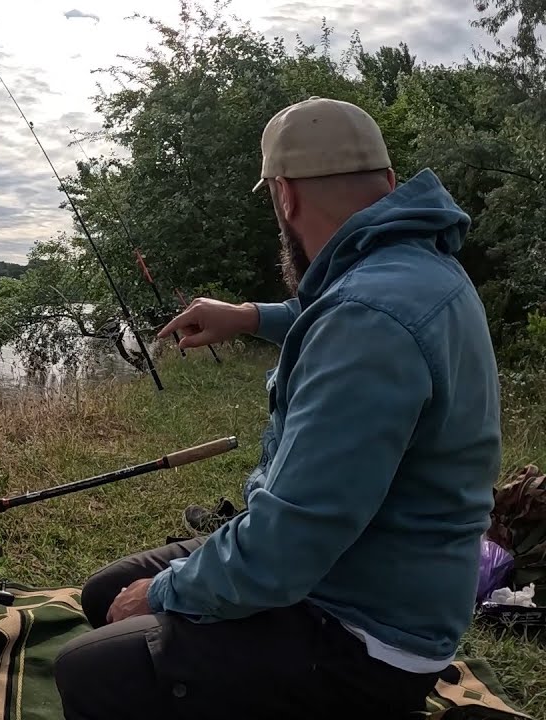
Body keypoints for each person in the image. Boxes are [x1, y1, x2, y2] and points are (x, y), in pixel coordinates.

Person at [53, 96, 502, 719]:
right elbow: (330, 320)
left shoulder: (366, 320)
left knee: (89, 672)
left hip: (363, 632)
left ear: (284, 197)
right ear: (389, 183)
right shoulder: (412, 271)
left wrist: (163, 592)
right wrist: (246, 316)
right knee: (105, 592)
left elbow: (286, 546)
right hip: (374, 578)